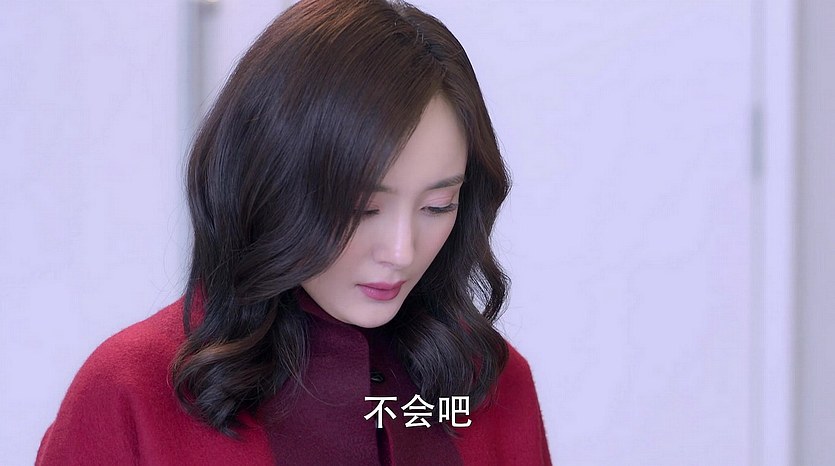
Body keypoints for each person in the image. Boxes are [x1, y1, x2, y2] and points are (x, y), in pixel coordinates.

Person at [35, 0, 551, 464]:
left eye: (438, 206)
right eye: (363, 208)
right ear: (271, 181)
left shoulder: (490, 381)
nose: (401, 251)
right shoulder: (131, 391)